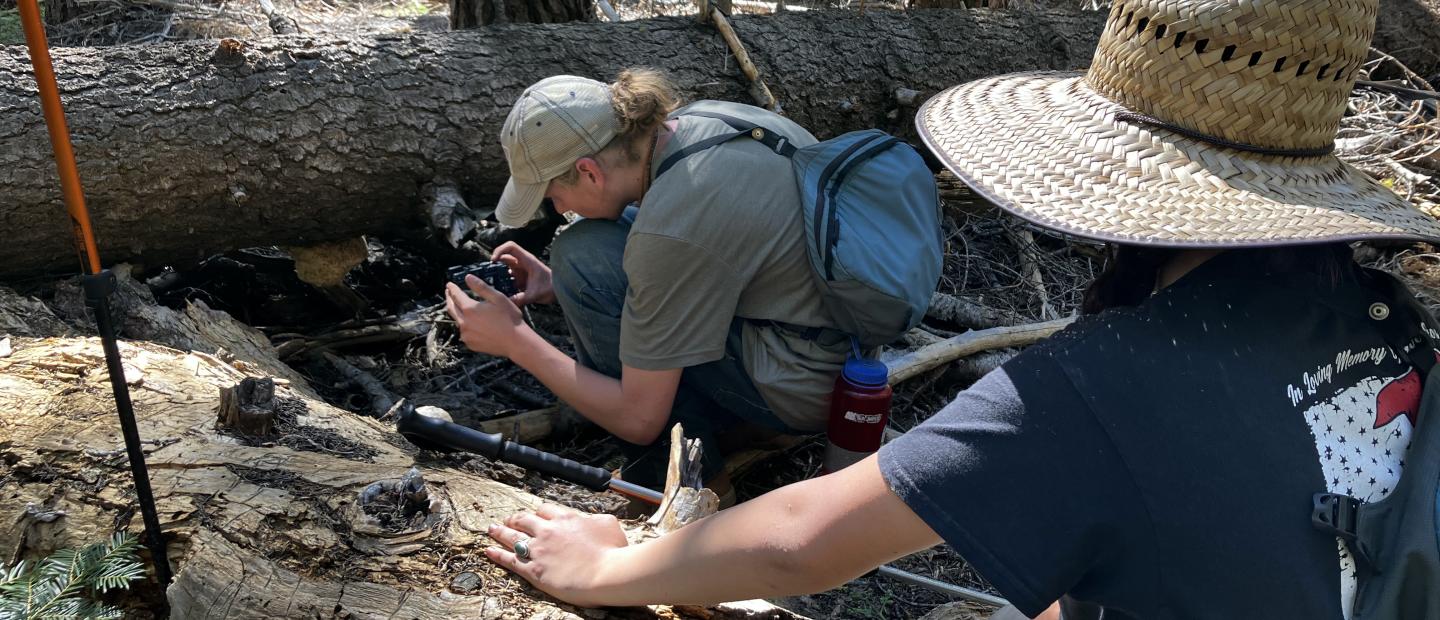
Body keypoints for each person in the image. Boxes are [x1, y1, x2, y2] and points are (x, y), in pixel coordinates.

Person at [470, 0, 1440, 618]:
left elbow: (806, 539)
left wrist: (603, 570)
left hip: (785, 374)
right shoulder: (1386, 322)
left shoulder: (1106, 380)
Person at [444, 70, 852, 491]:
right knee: (587, 258)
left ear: (588, 172)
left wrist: (514, 340)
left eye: (551, 197)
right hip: (842, 355)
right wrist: (558, 286)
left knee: (580, 255)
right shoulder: (707, 123)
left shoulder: (672, 227)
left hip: (803, 384)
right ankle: (749, 430)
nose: (559, 207)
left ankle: (693, 489)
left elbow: (639, 420)